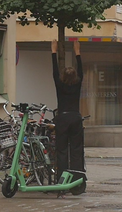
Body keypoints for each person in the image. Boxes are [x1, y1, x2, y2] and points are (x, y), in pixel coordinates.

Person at [51, 39, 86, 195]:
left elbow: (54, 71)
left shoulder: (59, 85)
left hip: (63, 119)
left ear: (63, 77)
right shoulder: (77, 84)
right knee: (76, 150)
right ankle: (77, 182)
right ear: (76, 77)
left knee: (62, 151)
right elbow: (82, 71)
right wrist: (77, 52)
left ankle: (62, 181)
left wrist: (53, 51)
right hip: (75, 118)